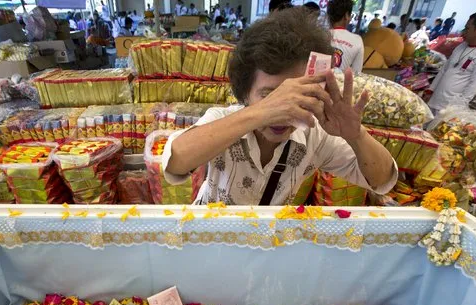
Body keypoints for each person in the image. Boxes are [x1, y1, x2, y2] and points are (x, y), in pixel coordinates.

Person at [162, 7, 397, 206]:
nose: (284, 110)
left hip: (265, 242)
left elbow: (382, 180)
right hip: (210, 238)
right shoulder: (222, 119)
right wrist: (262, 113)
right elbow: (175, 162)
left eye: (297, 94)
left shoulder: (316, 135)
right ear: (245, 92)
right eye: (270, 95)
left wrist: (356, 136)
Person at [424, 10, 476, 114]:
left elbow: (474, 85)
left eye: (467, 28)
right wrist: (431, 90)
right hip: (435, 99)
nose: (464, 32)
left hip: (449, 108)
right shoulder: (462, 46)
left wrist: (456, 110)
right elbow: (445, 69)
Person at [327, 0, 364, 74]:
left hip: (317, 84)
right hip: (341, 84)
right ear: (346, 15)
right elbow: (356, 73)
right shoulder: (357, 40)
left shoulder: (319, 35)